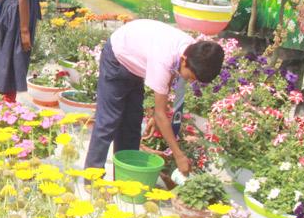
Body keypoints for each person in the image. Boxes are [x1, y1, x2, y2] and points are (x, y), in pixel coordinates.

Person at [83, 19, 225, 175]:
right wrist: (179, 155)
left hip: (137, 60)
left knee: (132, 124)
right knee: (108, 121)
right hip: (117, 57)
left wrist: (156, 112)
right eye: (191, 77)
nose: (192, 81)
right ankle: (93, 179)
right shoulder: (164, 59)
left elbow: (169, 78)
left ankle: (126, 179)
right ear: (184, 61)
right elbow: (161, 113)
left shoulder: (192, 51)